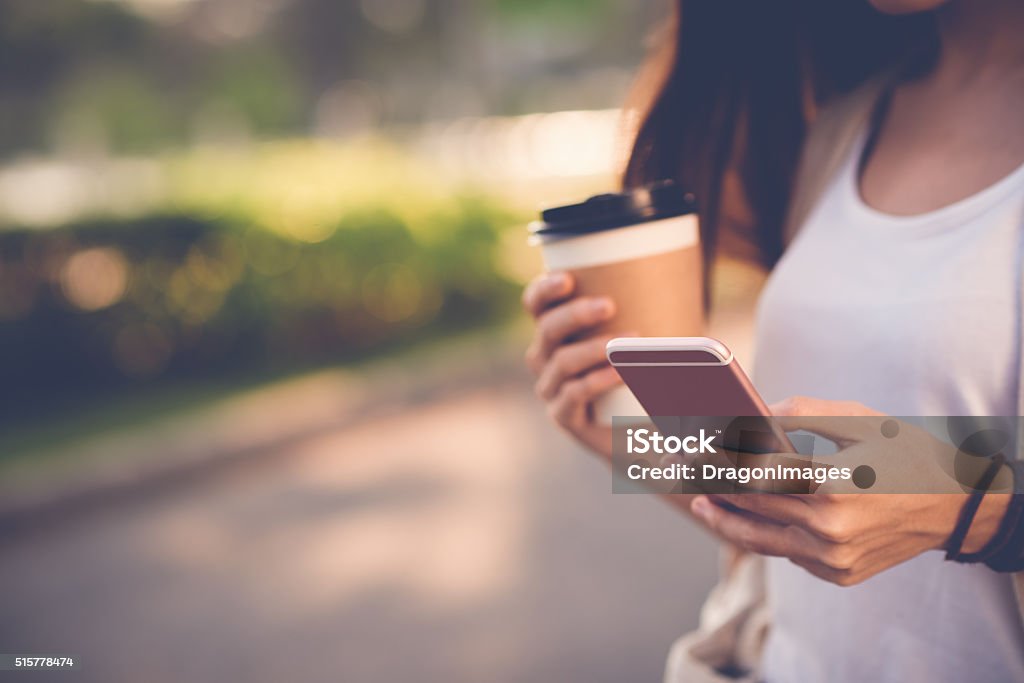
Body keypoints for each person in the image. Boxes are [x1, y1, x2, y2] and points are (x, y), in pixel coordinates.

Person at [522, 0, 1024, 680]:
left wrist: (976, 504)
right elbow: (797, 525)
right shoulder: (844, 131)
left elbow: (944, 498)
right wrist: (619, 433)